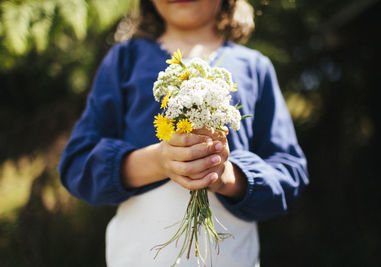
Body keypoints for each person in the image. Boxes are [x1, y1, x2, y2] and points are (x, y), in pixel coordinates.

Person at [58, 0, 309, 266]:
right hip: (138, 256)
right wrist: (159, 161)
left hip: (231, 257)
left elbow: (289, 171)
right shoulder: (125, 60)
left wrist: (226, 176)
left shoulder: (255, 68)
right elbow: (76, 164)